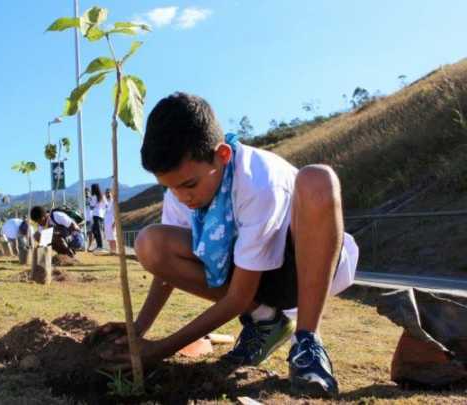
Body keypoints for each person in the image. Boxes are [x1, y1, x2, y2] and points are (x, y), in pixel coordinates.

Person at [94, 92, 358, 398]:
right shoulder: (182, 190)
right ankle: (265, 321)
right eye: (170, 188)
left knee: (317, 179)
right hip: (252, 275)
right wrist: (138, 328)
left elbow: (237, 297)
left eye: (189, 185)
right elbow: (165, 270)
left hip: (301, 272)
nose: (183, 197)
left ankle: (308, 344)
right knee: (150, 242)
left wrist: (159, 350)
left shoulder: (258, 180)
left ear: (223, 155)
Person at [89, 183, 107, 252]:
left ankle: (100, 246)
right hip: (101, 215)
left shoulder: (94, 197)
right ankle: (99, 245)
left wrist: (91, 202)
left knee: (97, 231)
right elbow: (106, 205)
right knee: (95, 230)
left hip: (96, 214)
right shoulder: (103, 196)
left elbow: (91, 206)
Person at [103, 188, 117, 254]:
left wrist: (114, 222)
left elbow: (116, 213)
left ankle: (115, 250)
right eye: (106, 193)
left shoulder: (113, 202)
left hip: (112, 220)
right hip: (106, 221)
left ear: (111, 193)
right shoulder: (105, 202)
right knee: (109, 236)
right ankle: (111, 250)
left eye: (108, 193)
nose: (107, 194)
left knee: (113, 236)